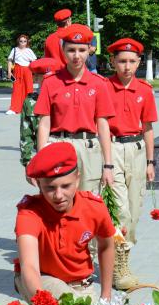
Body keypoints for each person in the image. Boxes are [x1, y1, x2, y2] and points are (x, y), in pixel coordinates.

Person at [14, 142, 115, 301]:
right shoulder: (29, 212)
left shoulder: (94, 207)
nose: (58, 195)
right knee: (66, 300)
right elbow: (29, 266)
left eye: (66, 186)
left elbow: (107, 246)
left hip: (82, 285)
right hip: (41, 280)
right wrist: (44, 304)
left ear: (77, 180)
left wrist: (106, 295)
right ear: (39, 185)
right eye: (50, 188)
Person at [35, 23, 116, 193]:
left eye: (82, 50)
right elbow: (44, 123)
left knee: (89, 200)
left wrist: (108, 164)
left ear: (89, 51)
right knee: (60, 199)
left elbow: (103, 125)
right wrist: (41, 159)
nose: (76, 56)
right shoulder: (51, 82)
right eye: (71, 50)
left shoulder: (99, 83)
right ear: (63, 51)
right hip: (59, 145)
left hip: (88, 147)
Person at [105, 38, 158, 290]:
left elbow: (148, 128)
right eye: (122, 61)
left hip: (137, 150)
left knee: (135, 212)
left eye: (131, 61)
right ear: (113, 62)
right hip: (113, 149)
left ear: (139, 63)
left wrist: (150, 161)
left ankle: (124, 259)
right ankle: (118, 268)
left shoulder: (145, 90)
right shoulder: (105, 87)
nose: (126, 66)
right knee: (120, 210)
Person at [20, 57, 62, 169]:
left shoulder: (65, 97)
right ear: (36, 78)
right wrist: (27, 161)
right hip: (43, 155)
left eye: (52, 78)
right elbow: (26, 134)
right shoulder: (30, 101)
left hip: (65, 153)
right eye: (44, 78)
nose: (49, 82)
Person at [6, 34, 37, 115]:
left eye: (24, 41)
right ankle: (14, 108)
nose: (23, 43)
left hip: (27, 70)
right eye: (21, 41)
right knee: (16, 88)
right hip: (17, 70)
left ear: (27, 42)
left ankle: (29, 108)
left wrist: (35, 73)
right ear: (18, 42)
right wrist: (9, 72)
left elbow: (34, 62)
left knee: (29, 88)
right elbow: (9, 61)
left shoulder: (29, 51)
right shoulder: (14, 50)